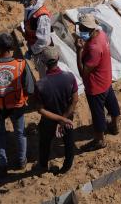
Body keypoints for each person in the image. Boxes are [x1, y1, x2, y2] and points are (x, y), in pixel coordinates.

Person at [0, 32, 35, 176]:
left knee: (0, 135)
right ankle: (21, 161)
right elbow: (30, 88)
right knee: (19, 134)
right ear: (11, 48)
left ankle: (2, 164)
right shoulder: (21, 64)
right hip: (16, 106)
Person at [75, 14, 120, 151]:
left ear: (89, 29)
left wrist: (79, 51)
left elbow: (83, 72)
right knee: (111, 103)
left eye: (82, 28)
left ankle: (100, 140)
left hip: (96, 86)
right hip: (105, 78)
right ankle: (115, 126)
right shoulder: (101, 35)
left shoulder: (94, 48)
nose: (80, 30)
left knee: (97, 114)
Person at [32, 45, 77, 175]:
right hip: (68, 116)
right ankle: (66, 167)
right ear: (57, 58)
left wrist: (58, 119)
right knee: (68, 142)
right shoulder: (69, 77)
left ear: (43, 62)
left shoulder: (40, 85)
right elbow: (74, 100)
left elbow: (40, 109)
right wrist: (64, 119)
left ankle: (42, 166)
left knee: (45, 142)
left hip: (49, 120)